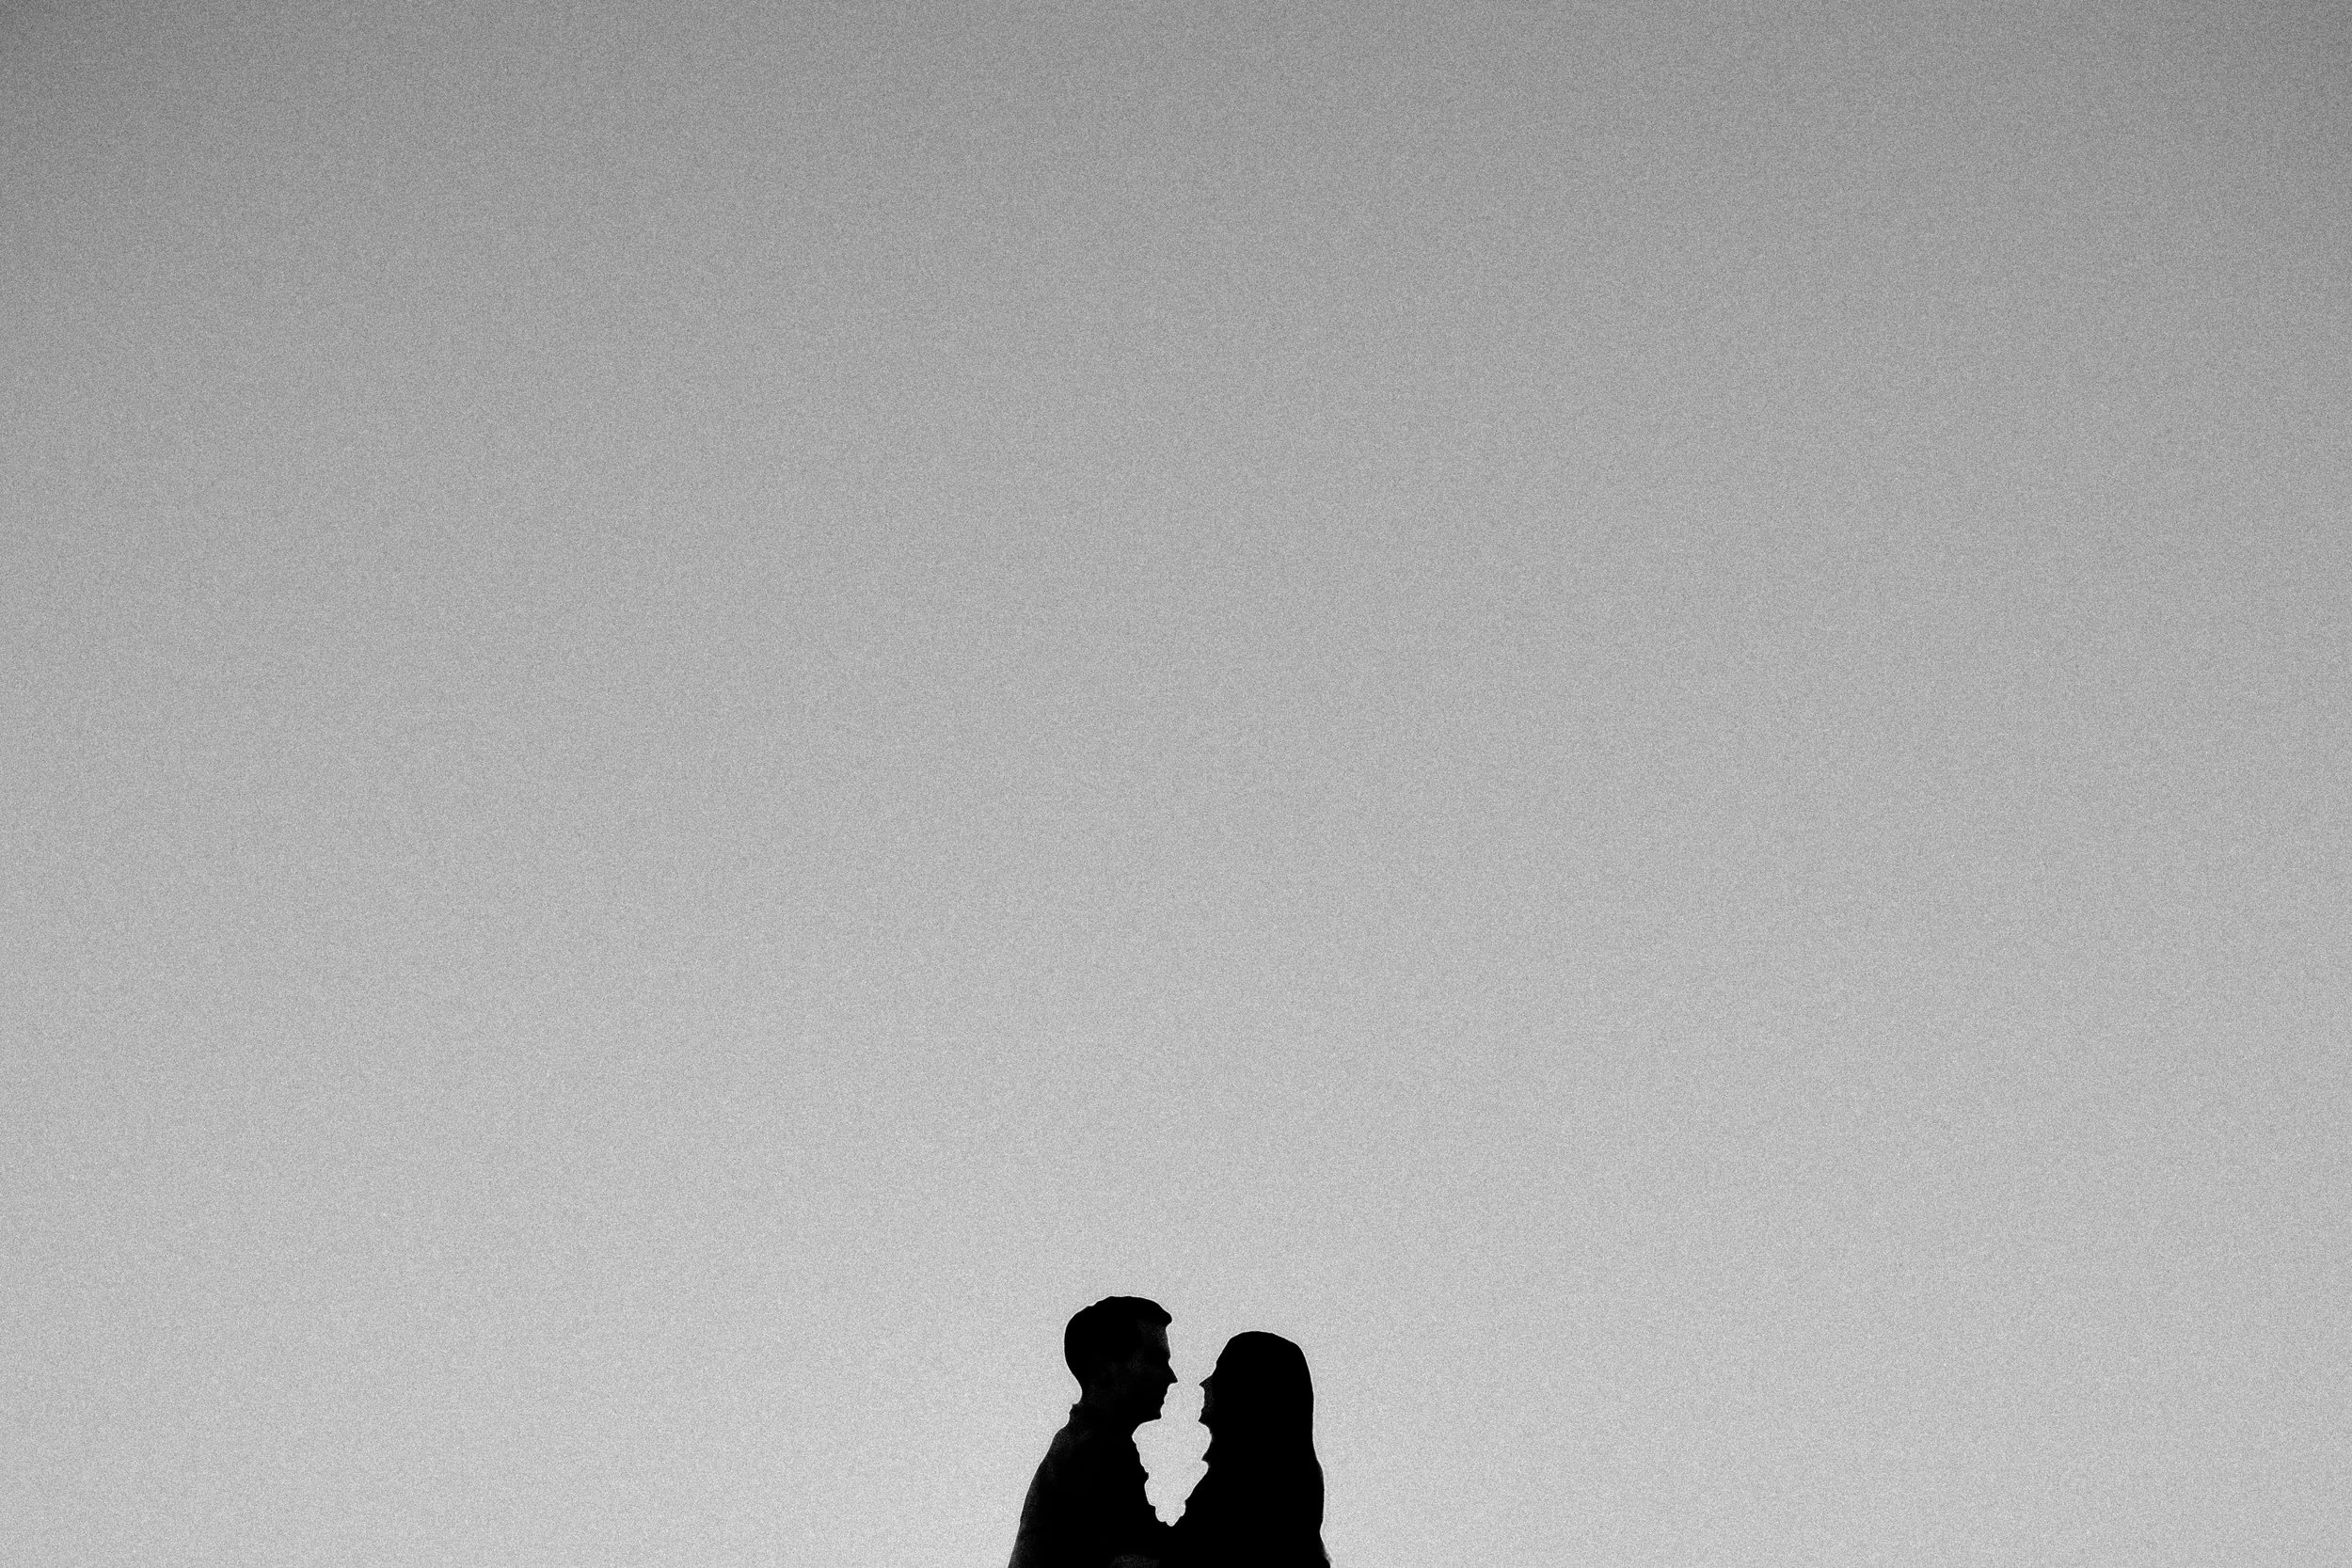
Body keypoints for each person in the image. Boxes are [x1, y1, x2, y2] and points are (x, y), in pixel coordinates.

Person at [1008, 1296, 1179, 1568]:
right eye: (1154, 1360)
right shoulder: (1095, 1451)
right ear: (1103, 1369)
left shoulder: (1086, 1444)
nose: (1171, 1377)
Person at [1167, 1332, 1329, 1568]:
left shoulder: (1236, 1487)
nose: (1205, 1383)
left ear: (1244, 1388)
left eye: (1219, 1372)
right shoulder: (1290, 1482)